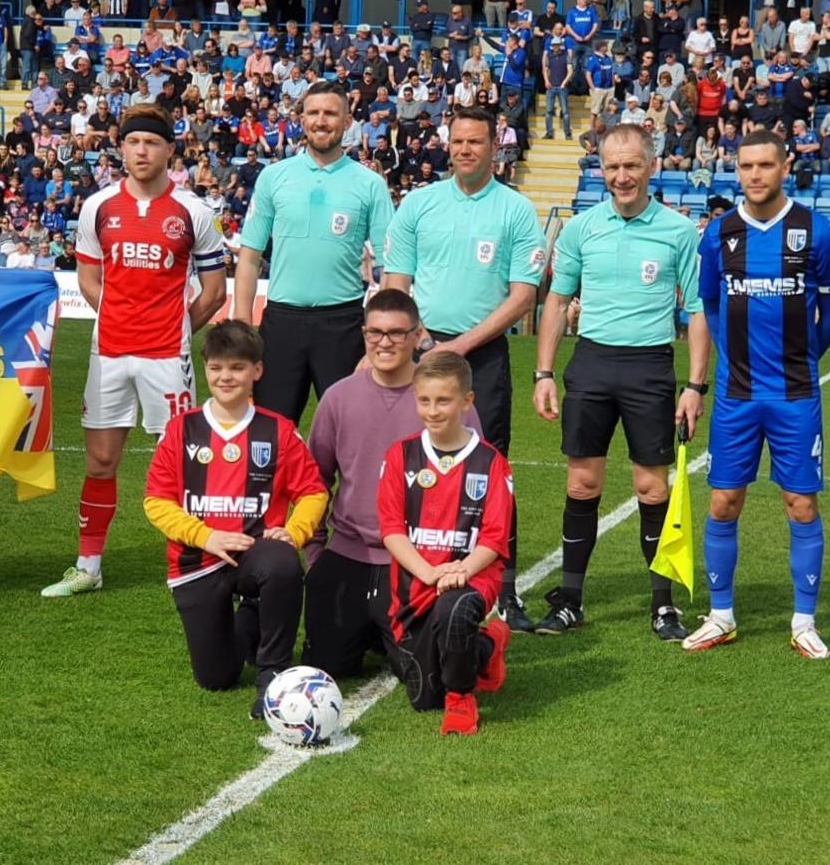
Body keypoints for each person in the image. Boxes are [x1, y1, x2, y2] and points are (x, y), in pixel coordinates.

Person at [529, 123, 709, 642]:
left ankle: (662, 604)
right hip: (591, 364)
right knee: (581, 483)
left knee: (652, 487)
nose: (622, 176)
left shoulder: (678, 232)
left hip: (650, 367)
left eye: (632, 165)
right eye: (612, 166)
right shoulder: (582, 229)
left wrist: (694, 385)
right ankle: (570, 600)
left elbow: (696, 310)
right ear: (600, 169)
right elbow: (558, 302)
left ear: (651, 166)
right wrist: (544, 372)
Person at [41, 106, 228, 599]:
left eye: (151, 143)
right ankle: (88, 565)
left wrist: (173, 327)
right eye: (133, 143)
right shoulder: (97, 206)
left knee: (184, 461)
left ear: (170, 150)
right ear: (121, 149)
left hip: (167, 357)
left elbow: (214, 292)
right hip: (108, 353)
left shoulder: (195, 212)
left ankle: (191, 562)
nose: (141, 151)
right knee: (101, 460)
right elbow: (88, 276)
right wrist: (117, 317)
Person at [684, 130, 830, 660]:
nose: (755, 175)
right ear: (737, 169)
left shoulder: (815, 232)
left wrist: (805, 358)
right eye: (747, 166)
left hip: (795, 394)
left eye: (765, 165)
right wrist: (723, 363)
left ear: (785, 167)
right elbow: (708, 304)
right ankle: (721, 615)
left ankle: (803, 620)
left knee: (800, 505)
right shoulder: (718, 234)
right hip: (736, 394)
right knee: (724, 501)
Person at [383, 106, 545, 632]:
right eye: (458, 141)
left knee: (492, 474)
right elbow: (396, 281)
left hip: (483, 356)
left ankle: (505, 588)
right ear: (447, 144)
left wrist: (456, 346)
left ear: (495, 147)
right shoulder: (419, 204)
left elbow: (523, 297)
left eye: (476, 141)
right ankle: (412, 577)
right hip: (420, 352)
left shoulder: (516, 211)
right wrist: (420, 338)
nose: (466, 150)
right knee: (414, 467)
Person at [143, 320, 329, 719]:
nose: (225, 377)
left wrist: (294, 533)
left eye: (237, 368)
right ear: (206, 369)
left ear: (256, 371)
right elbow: (156, 501)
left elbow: (314, 491)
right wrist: (205, 536)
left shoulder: (278, 430)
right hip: (197, 558)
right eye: (216, 368)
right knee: (216, 677)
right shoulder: (181, 429)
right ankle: (251, 618)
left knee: (281, 563)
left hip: (255, 553)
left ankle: (272, 677)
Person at [301, 289, 480, 679]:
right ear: (363, 334)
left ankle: (478, 642)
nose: (385, 342)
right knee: (326, 669)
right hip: (348, 556)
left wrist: (456, 565)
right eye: (375, 332)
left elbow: (475, 487)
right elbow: (314, 480)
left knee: (425, 681)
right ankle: (364, 629)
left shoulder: (442, 399)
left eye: (397, 333)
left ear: (418, 335)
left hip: (419, 561)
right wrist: (315, 555)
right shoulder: (338, 397)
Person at [232, 82, 393, 423]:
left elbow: (390, 266)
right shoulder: (273, 177)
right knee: (270, 437)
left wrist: (381, 336)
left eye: (331, 113)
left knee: (350, 435)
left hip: (344, 325)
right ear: (302, 119)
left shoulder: (370, 184)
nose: (322, 121)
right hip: (281, 324)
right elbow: (249, 257)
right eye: (314, 112)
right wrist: (242, 326)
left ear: (347, 121)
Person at [377, 351, 513, 736]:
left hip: (472, 577)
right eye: (424, 400)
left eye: (444, 400)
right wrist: (430, 572)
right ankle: (487, 646)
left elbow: (494, 538)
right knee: (422, 697)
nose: (433, 410)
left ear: (467, 401)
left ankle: (461, 698)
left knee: (455, 609)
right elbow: (391, 530)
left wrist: (462, 571)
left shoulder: (490, 463)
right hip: (418, 583)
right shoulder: (400, 456)